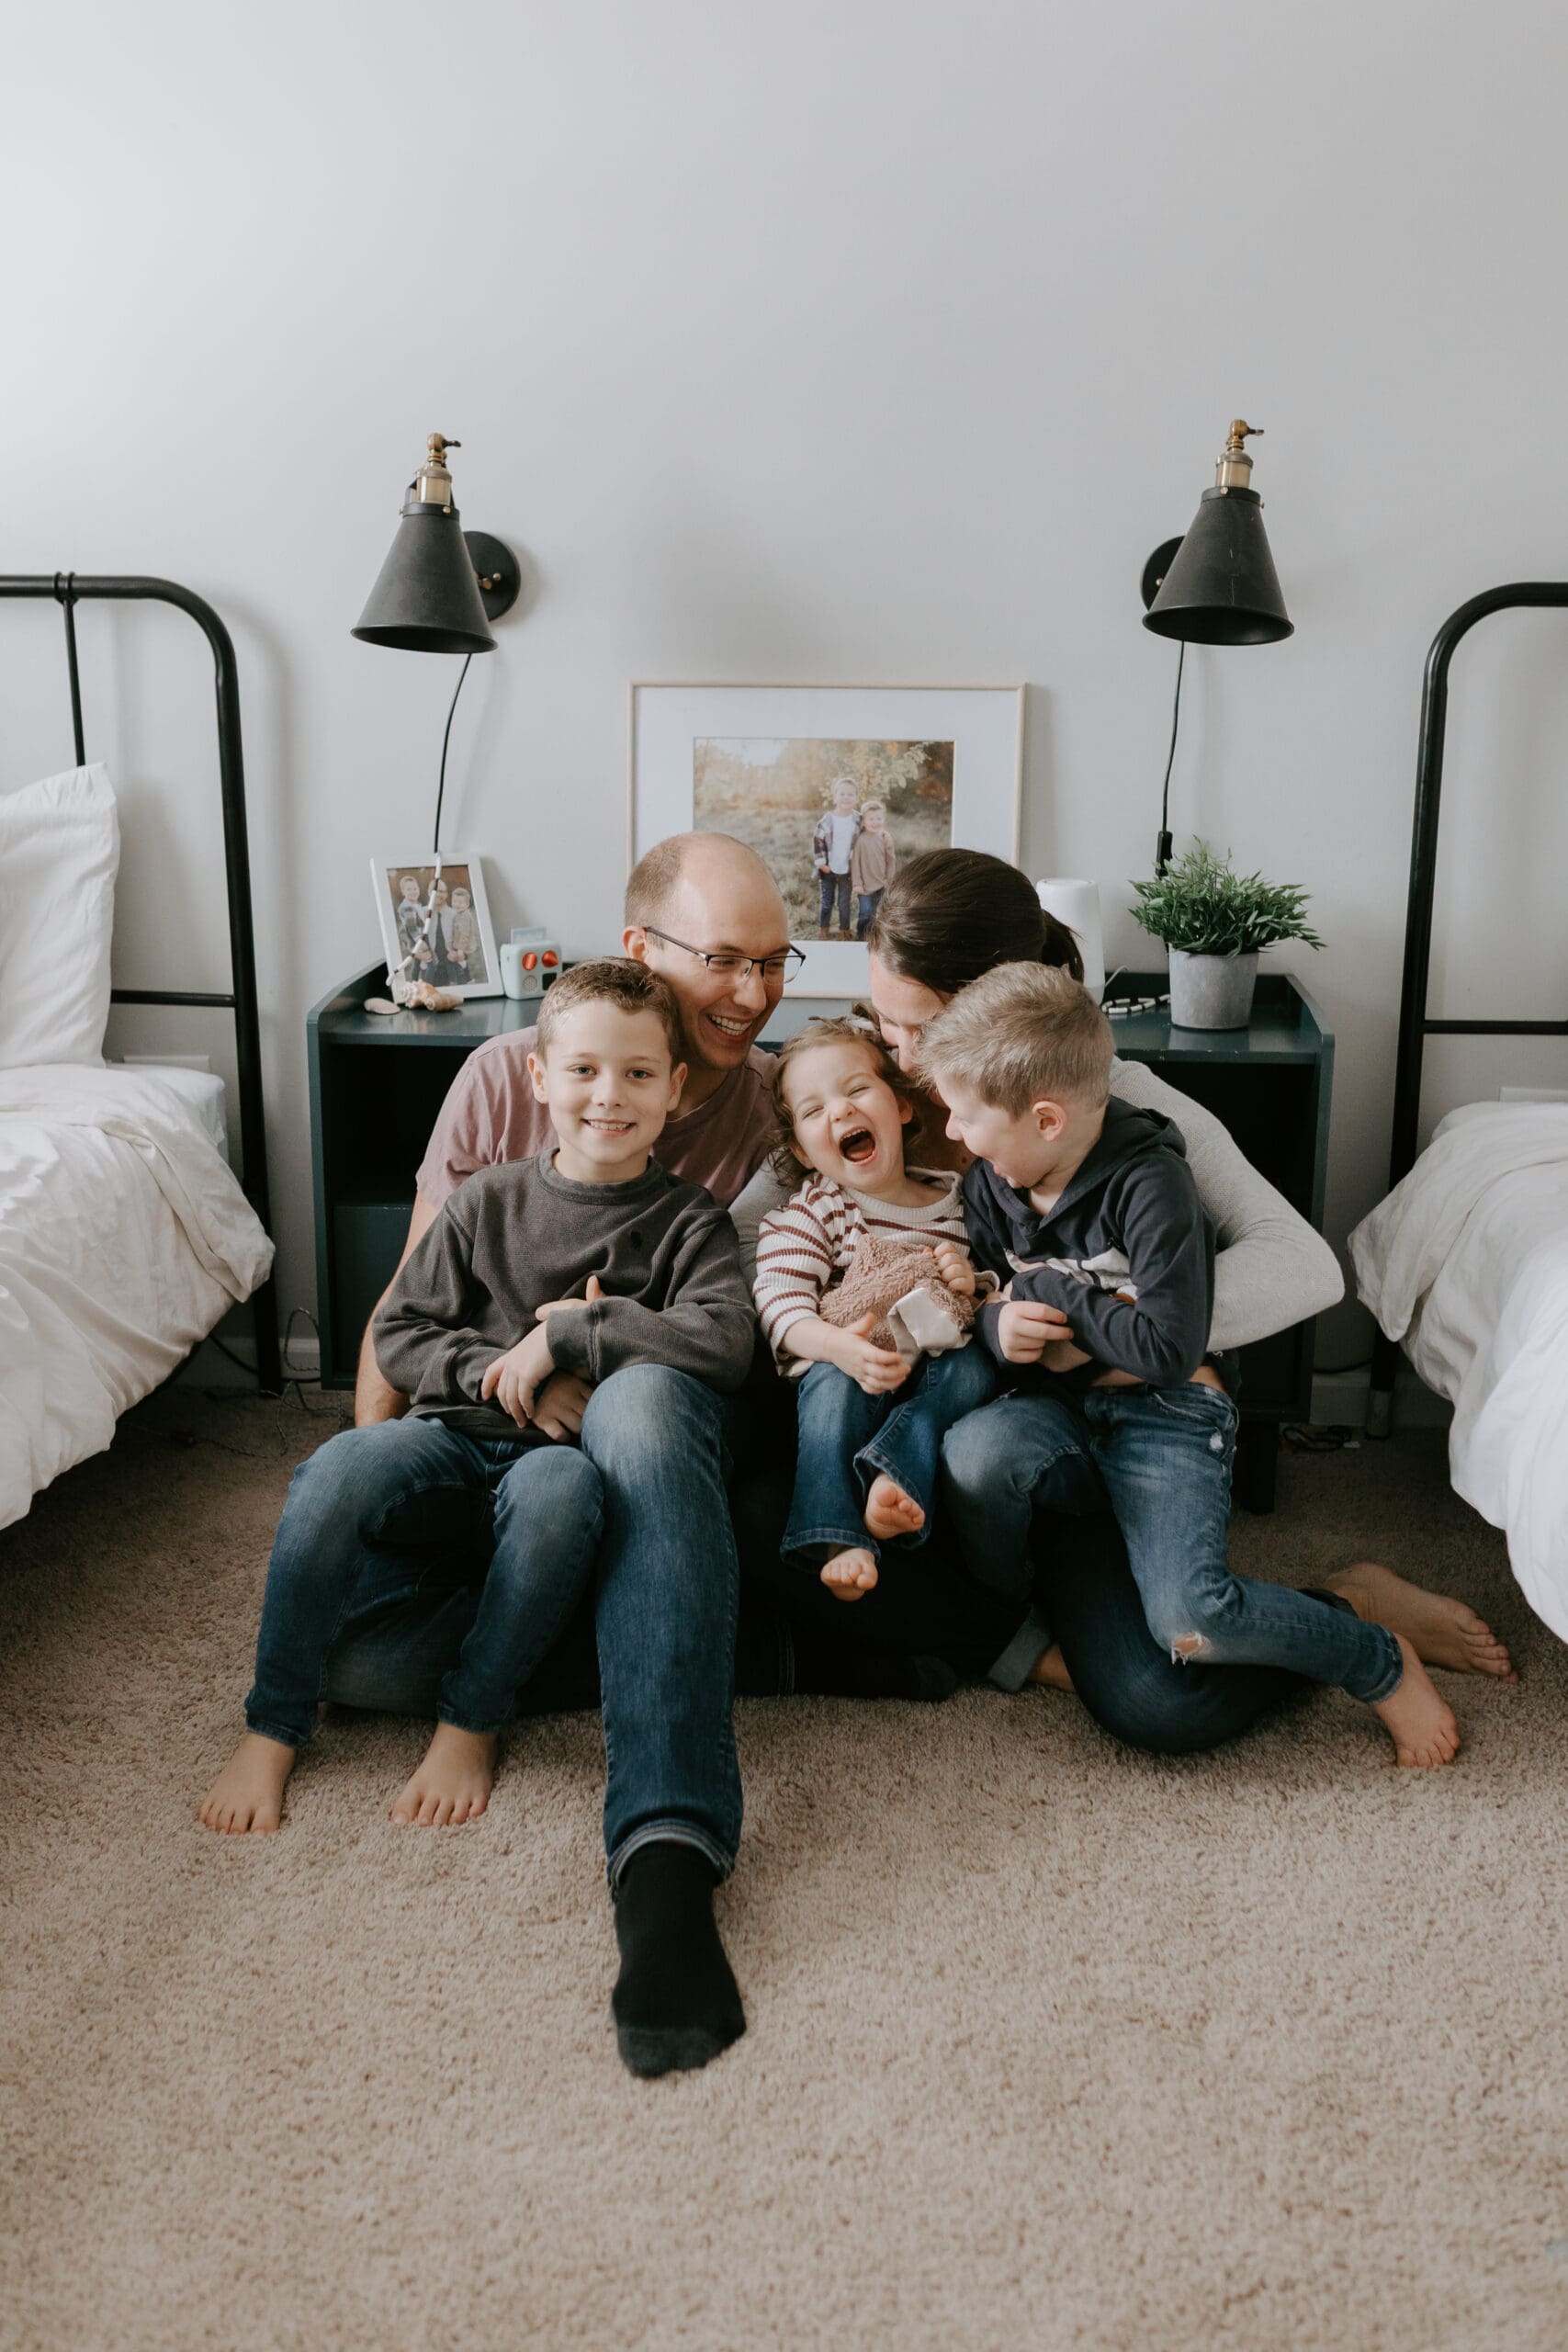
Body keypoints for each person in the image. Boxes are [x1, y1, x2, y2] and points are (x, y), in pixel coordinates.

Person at [730, 847, 1517, 1731]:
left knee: (1161, 1703)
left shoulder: (1118, 1106)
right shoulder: (867, 1091)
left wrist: (1110, 1328)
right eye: (884, 1021)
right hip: (917, 1437)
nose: (899, 1055)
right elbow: (756, 1234)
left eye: (919, 1028)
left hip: (1069, 1435)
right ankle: (1010, 1635)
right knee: (768, 1515)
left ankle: (1342, 1608)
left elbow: (1301, 1264)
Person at [199, 959, 756, 2078]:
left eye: (639, 1073)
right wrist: (502, 1367)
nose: (611, 1093)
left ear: (674, 1089)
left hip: (558, 1473)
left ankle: (475, 1714)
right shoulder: (489, 1197)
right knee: (339, 1470)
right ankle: (272, 1720)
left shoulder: (690, 1221)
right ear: (538, 1074)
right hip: (455, 1435)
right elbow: (399, 1329)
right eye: (586, 1069)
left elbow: (726, 1343)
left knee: (561, 1494)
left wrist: (580, 1339)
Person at [919, 960, 1461, 1768]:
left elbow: (1169, 1350)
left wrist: (1062, 1303)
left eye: (965, 1117)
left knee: (1190, 1623)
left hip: (1164, 1417)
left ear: (1045, 1119)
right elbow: (998, 1295)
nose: (953, 1133)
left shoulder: (1151, 1183)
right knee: (973, 1454)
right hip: (1060, 1416)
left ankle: (1370, 1655)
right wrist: (1003, 1323)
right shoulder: (994, 1183)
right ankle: (1030, 1602)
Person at [753, 1016, 996, 1602]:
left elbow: (979, 1296)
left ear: (903, 1107)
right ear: (800, 1150)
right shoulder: (820, 1209)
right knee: (832, 1388)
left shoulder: (955, 1198)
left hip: (934, 1368)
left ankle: (895, 1472)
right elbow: (779, 1302)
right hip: (850, 1364)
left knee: (977, 1372)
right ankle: (835, 1530)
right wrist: (838, 1347)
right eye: (813, 1112)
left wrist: (972, 1281)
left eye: (857, 1090)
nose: (839, 1112)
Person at [812, 775, 860, 940]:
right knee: (827, 902)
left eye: (850, 794)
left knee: (844, 903)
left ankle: (843, 931)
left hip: (847, 869)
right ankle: (823, 930)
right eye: (842, 794)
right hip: (828, 869)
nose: (846, 798)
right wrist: (821, 863)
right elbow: (818, 841)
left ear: (856, 798)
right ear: (835, 797)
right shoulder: (828, 820)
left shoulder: (858, 820)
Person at [850, 799, 896, 938]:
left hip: (881, 883)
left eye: (878, 818)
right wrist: (857, 883)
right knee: (865, 912)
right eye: (871, 819)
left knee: (879, 912)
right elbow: (855, 863)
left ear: (884, 819)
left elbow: (891, 860)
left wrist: (890, 879)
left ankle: (876, 936)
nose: (875, 822)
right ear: (863, 821)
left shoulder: (885, 837)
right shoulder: (861, 840)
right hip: (864, 886)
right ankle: (862, 934)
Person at [447, 883, 485, 984]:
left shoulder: (464, 917)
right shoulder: (458, 913)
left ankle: (464, 979)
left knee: (458, 960)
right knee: (459, 961)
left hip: (464, 945)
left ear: (467, 904)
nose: (457, 904)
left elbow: (465, 935)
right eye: (454, 901)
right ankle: (466, 978)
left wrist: (460, 949)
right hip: (459, 943)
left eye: (460, 902)